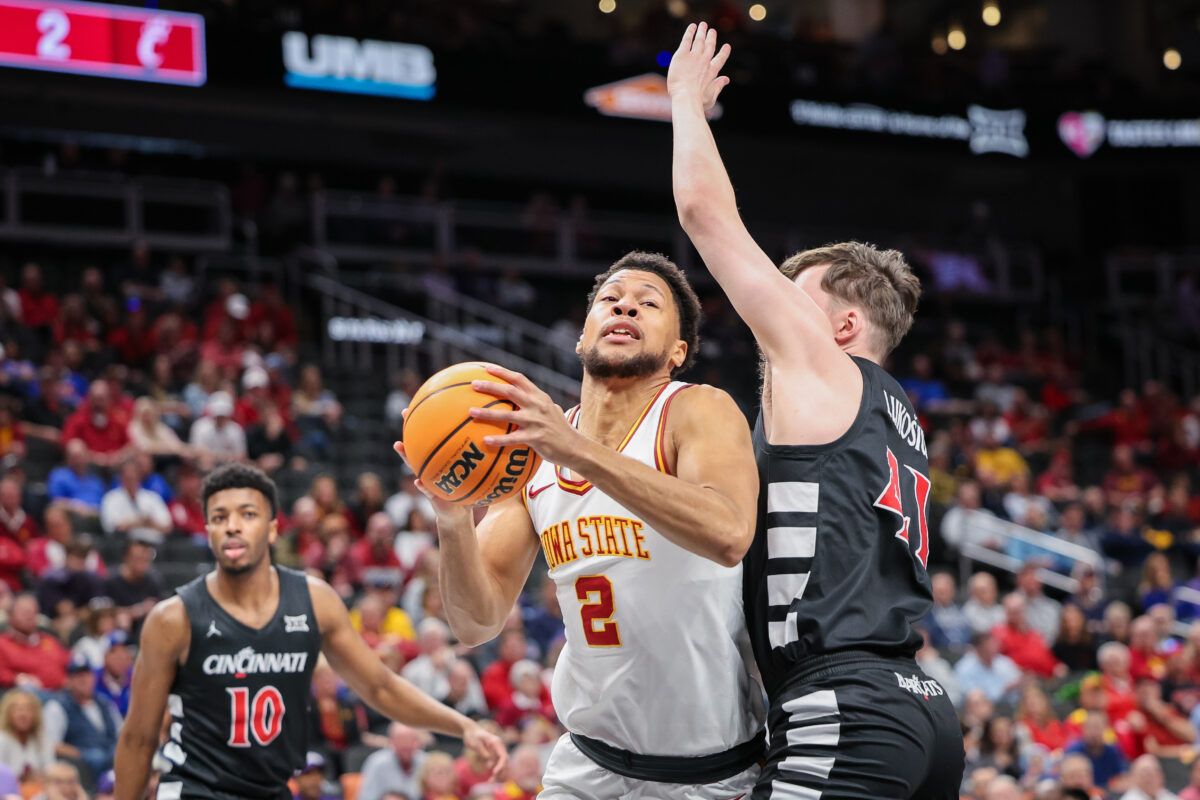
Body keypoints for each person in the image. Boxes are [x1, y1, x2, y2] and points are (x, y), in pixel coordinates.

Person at [669, 21, 963, 799]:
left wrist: (684, 102)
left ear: (840, 327)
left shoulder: (826, 368)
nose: (771, 319)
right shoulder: (899, 416)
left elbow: (704, 213)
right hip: (919, 708)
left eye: (793, 304)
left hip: (847, 706)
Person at [396, 250, 766, 798]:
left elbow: (730, 532)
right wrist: (452, 521)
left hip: (707, 773)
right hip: (587, 767)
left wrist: (575, 450)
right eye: (611, 299)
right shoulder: (534, 455)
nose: (626, 307)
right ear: (581, 335)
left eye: (648, 304)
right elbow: (476, 623)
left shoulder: (696, 410)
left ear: (677, 351)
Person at [114, 463, 505, 800]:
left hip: (274, 789)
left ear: (271, 529)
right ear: (208, 531)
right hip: (194, 789)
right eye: (219, 517)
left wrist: (463, 725)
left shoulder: (314, 600)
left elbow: (380, 687)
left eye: (247, 514)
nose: (232, 526)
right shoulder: (173, 618)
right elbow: (138, 737)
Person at [44, 654, 123, 781]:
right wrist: (80, 754)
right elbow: (52, 744)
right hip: (82, 764)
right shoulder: (57, 706)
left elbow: (121, 733)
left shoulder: (105, 703)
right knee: (96, 757)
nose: (83, 680)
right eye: (78, 676)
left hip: (111, 757)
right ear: (68, 680)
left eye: (87, 674)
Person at [358, 723, 425, 800]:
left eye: (411, 741)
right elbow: (366, 797)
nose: (407, 744)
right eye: (402, 741)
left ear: (418, 742)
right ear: (392, 742)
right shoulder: (377, 763)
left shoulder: (426, 762)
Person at [0, 690, 55, 782]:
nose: (23, 715)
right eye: (18, 710)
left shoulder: (42, 739)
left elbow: (51, 770)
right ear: (8, 714)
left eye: (28, 710)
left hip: (40, 790)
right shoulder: (2, 739)